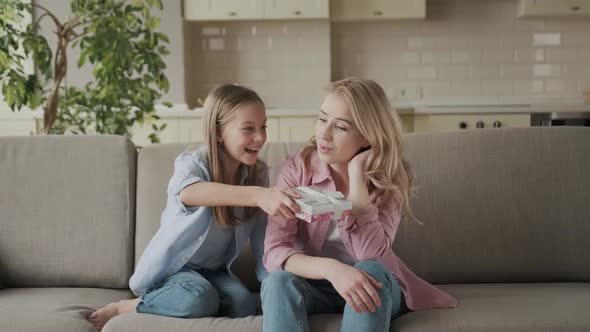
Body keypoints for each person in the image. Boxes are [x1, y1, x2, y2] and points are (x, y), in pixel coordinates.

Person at [88, 84, 300, 330]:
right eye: (248, 129)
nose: (260, 137)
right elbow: (189, 192)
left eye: (263, 127)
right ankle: (127, 307)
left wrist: (274, 284)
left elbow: (262, 240)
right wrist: (257, 195)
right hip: (175, 271)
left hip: (214, 272)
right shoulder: (192, 164)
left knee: (243, 304)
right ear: (219, 132)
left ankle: (204, 299)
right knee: (199, 299)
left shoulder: (257, 174)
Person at [261, 78, 457, 332]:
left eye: (340, 127)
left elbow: (371, 254)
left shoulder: (389, 177)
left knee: (371, 270)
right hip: (314, 285)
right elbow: (275, 251)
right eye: (322, 119)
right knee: (278, 282)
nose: (324, 133)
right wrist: (333, 270)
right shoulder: (297, 169)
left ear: (367, 137)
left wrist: (356, 176)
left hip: (373, 284)